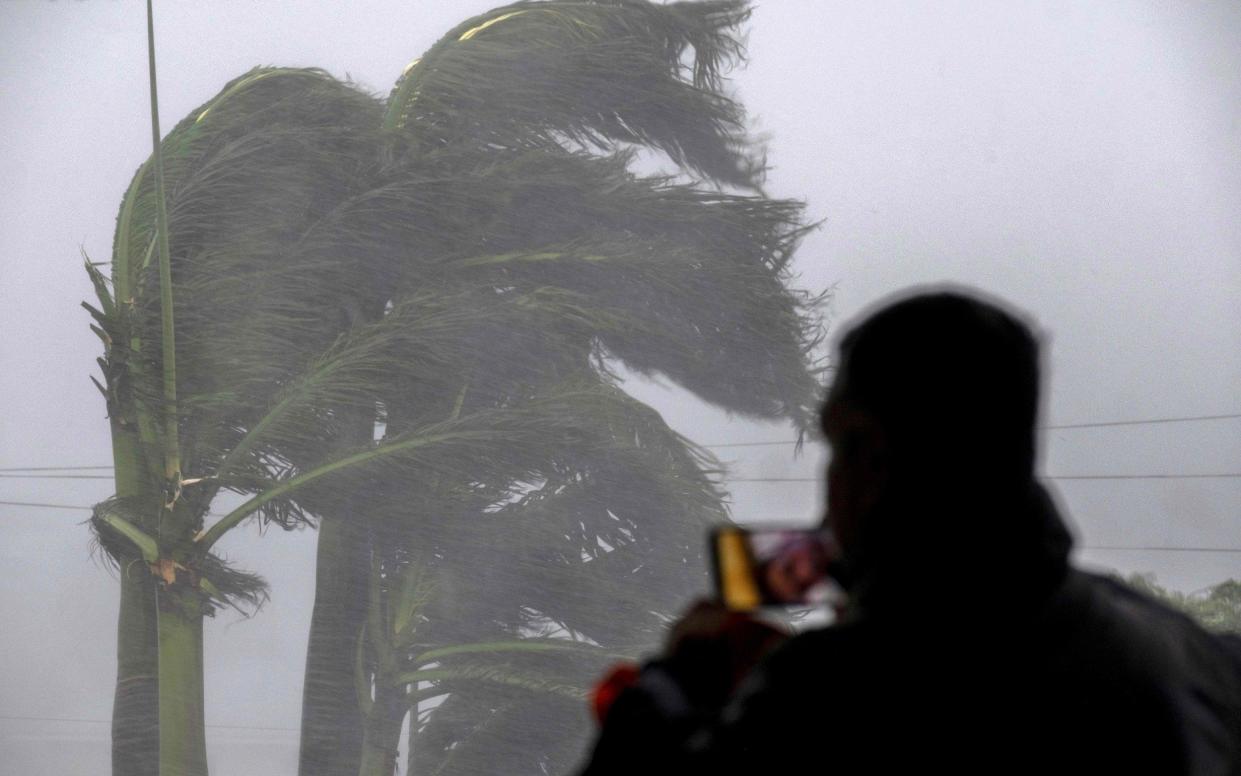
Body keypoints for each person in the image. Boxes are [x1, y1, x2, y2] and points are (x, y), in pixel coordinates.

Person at [579, 287, 1241, 775]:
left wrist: (679, 677)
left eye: (835, 443)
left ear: (870, 456)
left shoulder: (833, 688)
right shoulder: (1175, 642)